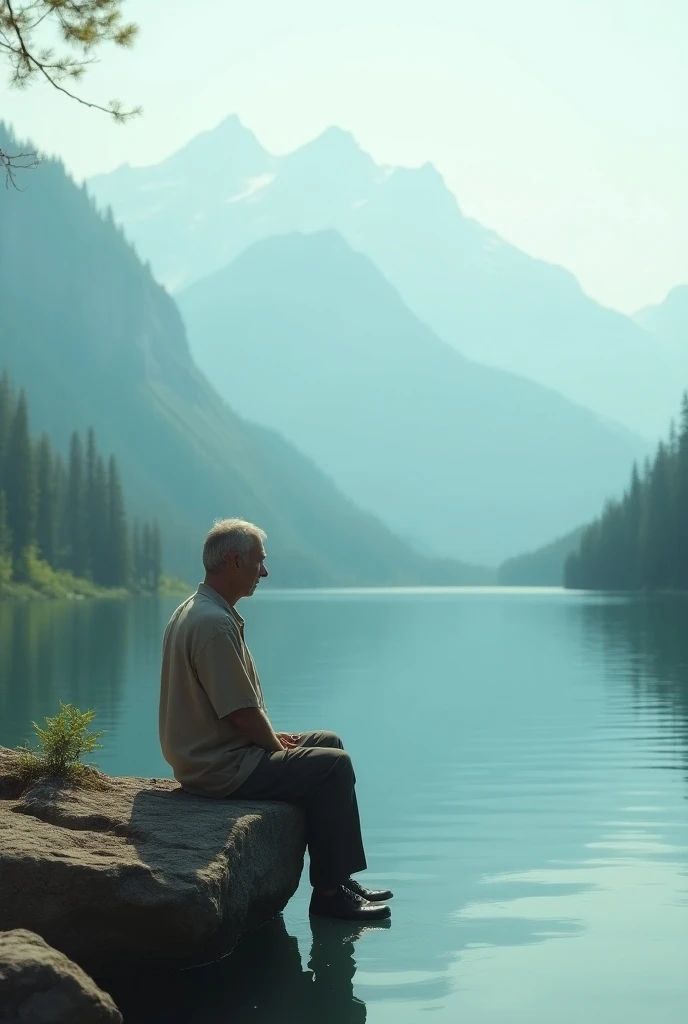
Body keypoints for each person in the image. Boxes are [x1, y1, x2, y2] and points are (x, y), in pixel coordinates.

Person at [159, 517, 393, 922]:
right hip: (219, 768)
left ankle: (337, 875)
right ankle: (328, 897)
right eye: (258, 562)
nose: (264, 572)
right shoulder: (212, 623)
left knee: (328, 742)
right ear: (234, 561)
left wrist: (271, 740)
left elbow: (232, 709)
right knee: (333, 767)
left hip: (215, 753)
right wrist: (270, 745)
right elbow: (241, 712)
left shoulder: (199, 610)